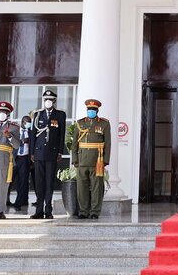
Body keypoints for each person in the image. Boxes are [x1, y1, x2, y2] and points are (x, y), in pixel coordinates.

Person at [71, 99, 111, 220]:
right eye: (89, 110)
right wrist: (74, 159)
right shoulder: (80, 123)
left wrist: (105, 160)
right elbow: (74, 144)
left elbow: (108, 143)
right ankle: (83, 211)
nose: (91, 112)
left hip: (97, 160)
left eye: (93, 110)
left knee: (96, 187)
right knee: (81, 187)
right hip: (82, 160)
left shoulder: (104, 124)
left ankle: (95, 211)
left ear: (97, 110)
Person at [30, 90, 66, 219]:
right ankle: (38, 211)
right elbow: (33, 134)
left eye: (50, 99)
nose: (48, 102)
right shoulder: (38, 115)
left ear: (54, 101)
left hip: (52, 153)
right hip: (39, 153)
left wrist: (60, 151)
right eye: (46, 99)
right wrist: (32, 153)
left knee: (49, 183)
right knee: (39, 183)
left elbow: (62, 134)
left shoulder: (60, 115)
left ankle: (48, 211)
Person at [13, 115, 32, 211]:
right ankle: (5, 200)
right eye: (27, 122)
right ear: (22, 122)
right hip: (15, 158)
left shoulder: (31, 132)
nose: (29, 124)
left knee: (22, 181)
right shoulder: (16, 130)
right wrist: (21, 140)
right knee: (10, 180)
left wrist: (27, 140)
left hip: (24, 159)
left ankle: (18, 203)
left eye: (30, 122)